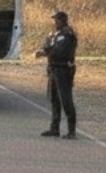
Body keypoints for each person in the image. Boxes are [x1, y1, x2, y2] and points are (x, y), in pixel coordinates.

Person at [34, 10, 77, 138]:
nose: (54, 22)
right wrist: (41, 51)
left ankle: (71, 130)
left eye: (56, 20)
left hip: (63, 69)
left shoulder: (68, 34)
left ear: (63, 20)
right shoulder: (53, 34)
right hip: (53, 69)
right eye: (54, 20)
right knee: (54, 99)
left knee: (65, 100)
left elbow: (61, 51)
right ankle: (54, 128)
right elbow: (47, 45)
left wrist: (46, 53)